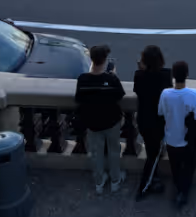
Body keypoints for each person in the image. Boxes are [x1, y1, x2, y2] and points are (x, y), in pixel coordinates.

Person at [74, 44, 127, 195]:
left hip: (92, 123)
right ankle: (115, 180)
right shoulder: (111, 79)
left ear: (91, 59)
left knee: (96, 152)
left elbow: (79, 99)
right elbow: (119, 96)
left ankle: (99, 181)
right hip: (112, 122)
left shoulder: (83, 79)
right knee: (114, 150)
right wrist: (113, 75)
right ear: (105, 60)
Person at [158, 61, 196, 207]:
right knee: (190, 165)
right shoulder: (194, 94)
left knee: (175, 166)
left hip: (171, 138)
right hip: (188, 139)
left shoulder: (165, 94)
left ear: (173, 75)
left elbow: (160, 112)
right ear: (187, 75)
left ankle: (179, 188)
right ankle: (183, 192)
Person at [133, 45, 173, 200]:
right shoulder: (165, 75)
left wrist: (141, 69)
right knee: (153, 154)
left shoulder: (139, 75)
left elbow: (138, 90)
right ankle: (145, 185)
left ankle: (152, 179)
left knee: (151, 151)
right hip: (159, 121)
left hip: (144, 119)